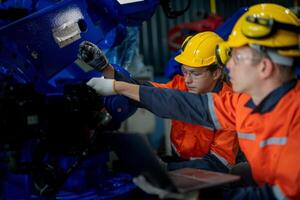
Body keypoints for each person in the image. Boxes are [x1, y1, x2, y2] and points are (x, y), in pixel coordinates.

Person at [85, 3, 300, 199]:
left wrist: (193, 194)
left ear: (265, 67)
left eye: (237, 58)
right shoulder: (245, 103)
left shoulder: (295, 122)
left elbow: (280, 196)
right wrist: (113, 78)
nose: (230, 66)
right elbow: (184, 104)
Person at [78, 32, 239, 173]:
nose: (187, 79)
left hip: (212, 175)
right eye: (185, 71)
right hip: (179, 161)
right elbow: (149, 93)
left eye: (195, 74)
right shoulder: (181, 84)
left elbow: (219, 164)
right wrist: (107, 70)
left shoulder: (229, 107)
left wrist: (166, 169)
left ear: (216, 73)